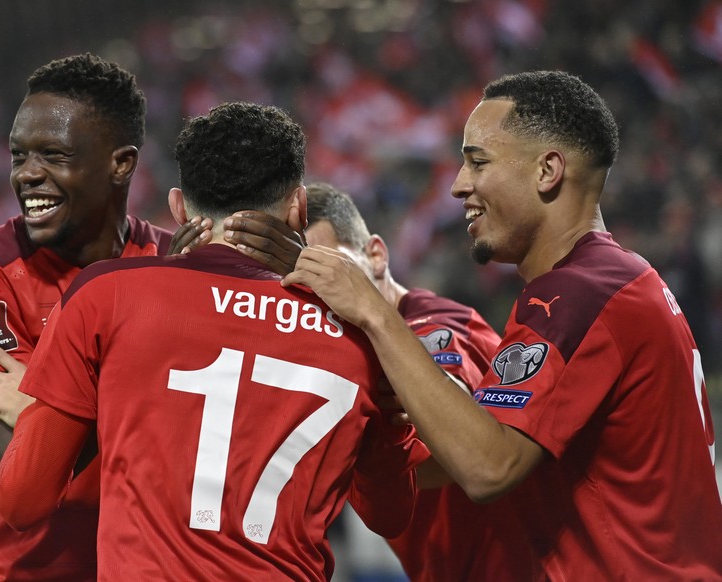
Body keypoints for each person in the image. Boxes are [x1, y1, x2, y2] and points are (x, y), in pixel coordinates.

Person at [285, 70, 722, 579]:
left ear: (547, 171)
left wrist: (375, 313)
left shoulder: (581, 294)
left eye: (478, 161)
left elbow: (487, 465)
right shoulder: (612, 282)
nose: (457, 185)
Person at [0, 101, 426, 581]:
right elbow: (391, 515)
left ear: (178, 207)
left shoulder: (107, 295)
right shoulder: (361, 334)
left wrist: (48, 411)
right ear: (299, 207)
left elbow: (23, 502)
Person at [0, 52, 231, 581]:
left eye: (53, 155)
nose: (28, 175)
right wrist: (155, 408)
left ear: (121, 163)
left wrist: (51, 404)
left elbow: (222, 449)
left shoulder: (176, 267)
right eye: (18, 156)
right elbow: (25, 460)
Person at [304, 182, 536, 581]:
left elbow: (451, 455)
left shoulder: (429, 328)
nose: (320, 294)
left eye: (330, 270)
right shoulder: (354, 350)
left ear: (376, 255)